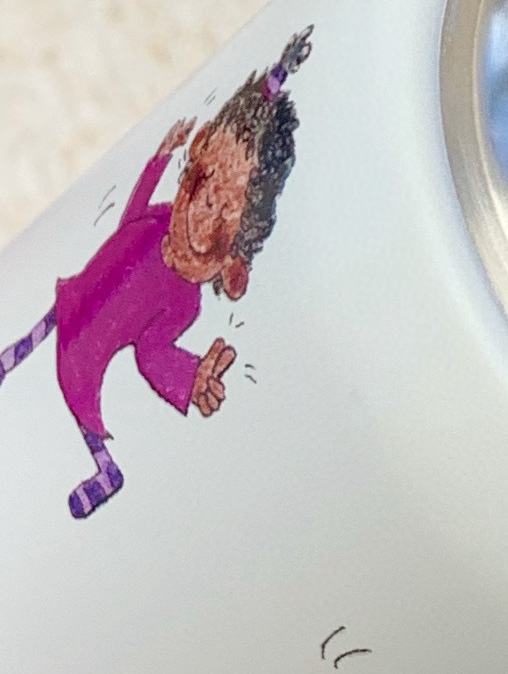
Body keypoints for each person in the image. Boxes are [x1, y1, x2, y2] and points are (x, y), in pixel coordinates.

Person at [0, 31, 312, 518]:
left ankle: (106, 473)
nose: (202, 213)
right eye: (203, 186)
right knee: (42, 328)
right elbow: (130, 219)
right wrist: (160, 156)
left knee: (80, 405)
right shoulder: (159, 220)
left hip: (89, 356)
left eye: (223, 216)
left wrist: (190, 378)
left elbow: (153, 354)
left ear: (233, 269)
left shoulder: (184, 301)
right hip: (76, 299)